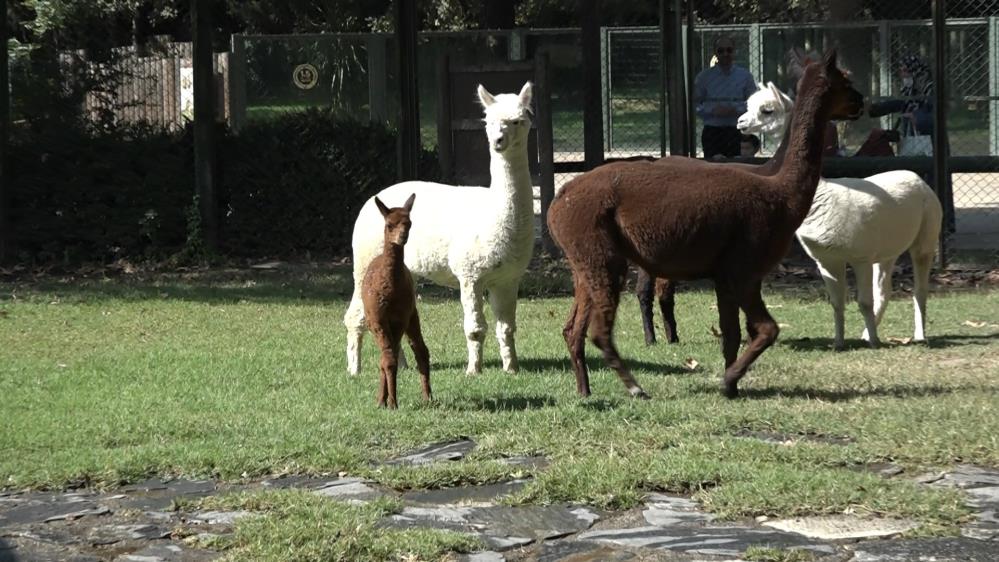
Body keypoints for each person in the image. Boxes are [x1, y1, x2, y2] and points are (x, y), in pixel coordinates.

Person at [858, 54, 935, 156]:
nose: (902, 74)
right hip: (910, 135)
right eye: (901, 70)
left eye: (905, 71)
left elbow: (934, 114)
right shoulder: (909, 90)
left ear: (915, 71)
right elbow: (899, 104)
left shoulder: (930, 89)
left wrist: (915, 116)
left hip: (931, 138)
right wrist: (873, 109)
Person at [693, 36, 757, 159]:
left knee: (736, 167)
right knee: (713, 167)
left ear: (734, 51)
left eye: (729, 50)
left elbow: (754, 102)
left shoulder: (745, 76)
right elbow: (695, 104)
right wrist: (712, 110)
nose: (725, 54)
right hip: (712, 130)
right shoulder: (704, 77)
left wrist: (736, 109)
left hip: (736, 130)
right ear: (715, 53)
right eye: (721, 51)